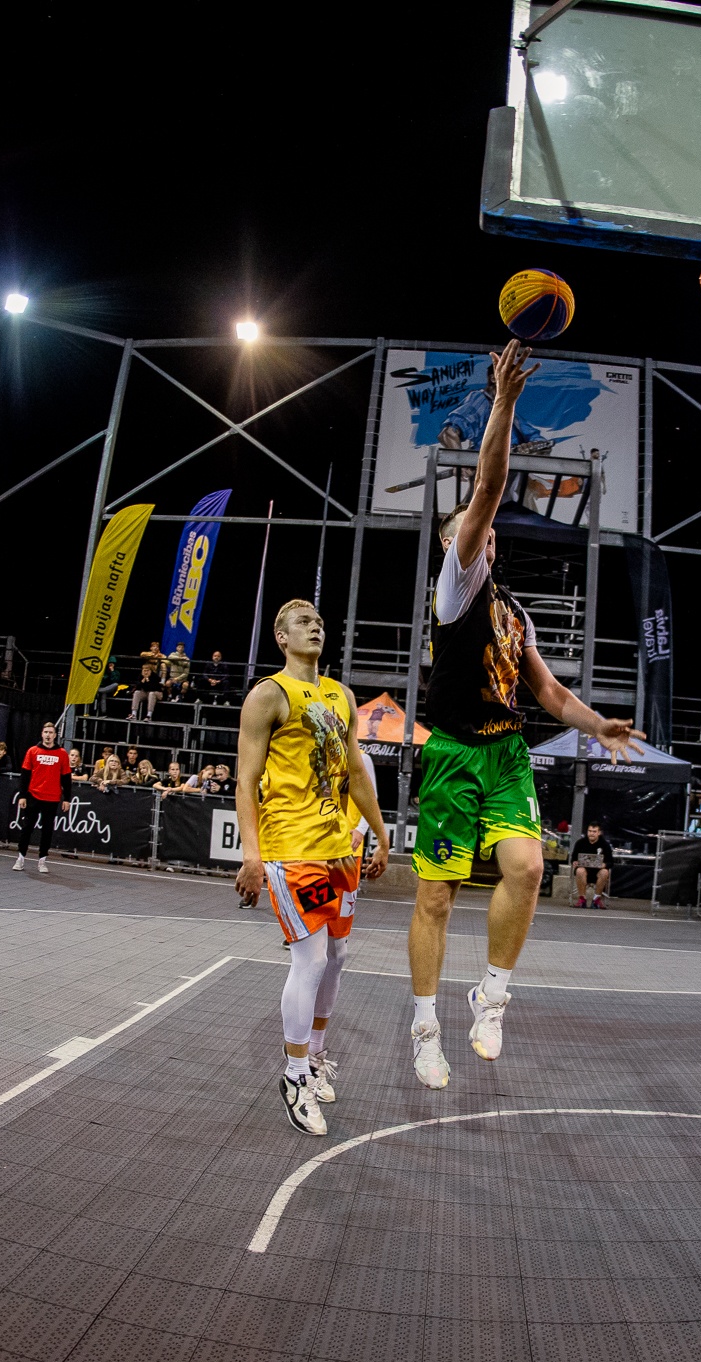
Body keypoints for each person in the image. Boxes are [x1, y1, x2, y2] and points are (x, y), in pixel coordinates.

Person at [404, 341, 640, 1089]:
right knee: (436, 896)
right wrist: (503, 400)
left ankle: (491, 996)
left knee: (531, 867)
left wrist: (597, 724)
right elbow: (489, 484)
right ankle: (424, 1029)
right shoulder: (456, 584)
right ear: (456, 543)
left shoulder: (514, 612)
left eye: (486, 528)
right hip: (452, 752)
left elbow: (547, 693)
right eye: (473, 526)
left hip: (505, 753)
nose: (485, 529)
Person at [234, 598, 390, 1136]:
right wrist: (252, 854)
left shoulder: (341, 695)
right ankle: (295, 1074)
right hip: (292, 848)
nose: (315, 627)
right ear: (281, 636)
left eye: (319, 622)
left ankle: (316, 1055)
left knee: (338, 956)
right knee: (312, 957)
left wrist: (381, 832)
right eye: (303, 622)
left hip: (339, 849)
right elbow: (245, 781)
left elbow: (355, 771)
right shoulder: (268, 695)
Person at [13, 721, 76, 874]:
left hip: (52, 798)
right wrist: (22, 796)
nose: (48, 735)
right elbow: (25, 775)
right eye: (46, 732)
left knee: (47, 830)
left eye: (51, 732)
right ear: (42, 734)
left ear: (55, 735)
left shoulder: (62, 753)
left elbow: (66, 778)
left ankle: (42, 860)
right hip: (33, 795)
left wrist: (67, 798)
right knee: (27, 828)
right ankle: (20, 858)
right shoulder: (32, 751)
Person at [568, 821, 614, 909]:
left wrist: (604, 865)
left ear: (599, 833)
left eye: (594, 831)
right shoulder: (580, 843)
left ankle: (596, 900)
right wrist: (574, 862)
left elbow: (611, 862)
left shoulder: (605, 845)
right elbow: (573, 858)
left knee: (605, 872)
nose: (591, 833)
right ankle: (582, 899)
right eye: (589, 831)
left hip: (598, 873)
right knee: (579, 870)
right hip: (583, 872)